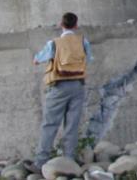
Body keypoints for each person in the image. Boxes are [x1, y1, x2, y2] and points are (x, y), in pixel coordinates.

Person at [26, 12, 93, 173]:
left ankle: (41, 162)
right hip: (78, 86)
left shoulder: (54, 43)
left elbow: (36, 60)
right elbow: (89, 59)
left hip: (58, 87)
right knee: (72, 124)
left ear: (60, 25)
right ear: (76, 25)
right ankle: (68, 160)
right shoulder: (83, 41)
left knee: (50, 124)